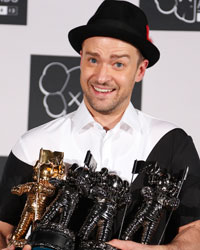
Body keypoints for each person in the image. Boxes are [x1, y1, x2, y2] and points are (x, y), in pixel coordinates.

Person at [0, 0, 200, 249]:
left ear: (140, 70)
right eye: (93, 60)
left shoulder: (171, 142)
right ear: (81, 59)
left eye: (118, 63)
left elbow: (195, 229)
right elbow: (3, 229)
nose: (102, 76)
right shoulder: (34, 144)